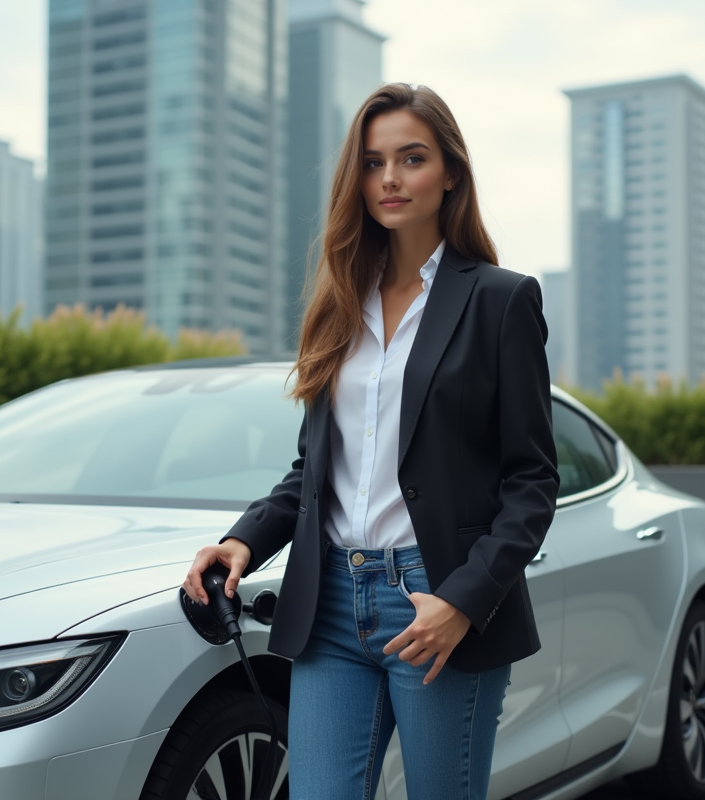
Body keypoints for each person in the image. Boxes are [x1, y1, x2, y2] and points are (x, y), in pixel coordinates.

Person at [183, 83, 559, 800]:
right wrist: (243, 543)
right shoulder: (337, 304)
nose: (389, 178)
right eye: (373, 161)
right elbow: (314, 470)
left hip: (435, 600)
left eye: (411, 158)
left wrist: (463, 601)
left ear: (450, 171)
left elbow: (532, 482)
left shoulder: (501, 300)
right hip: (328, 605)